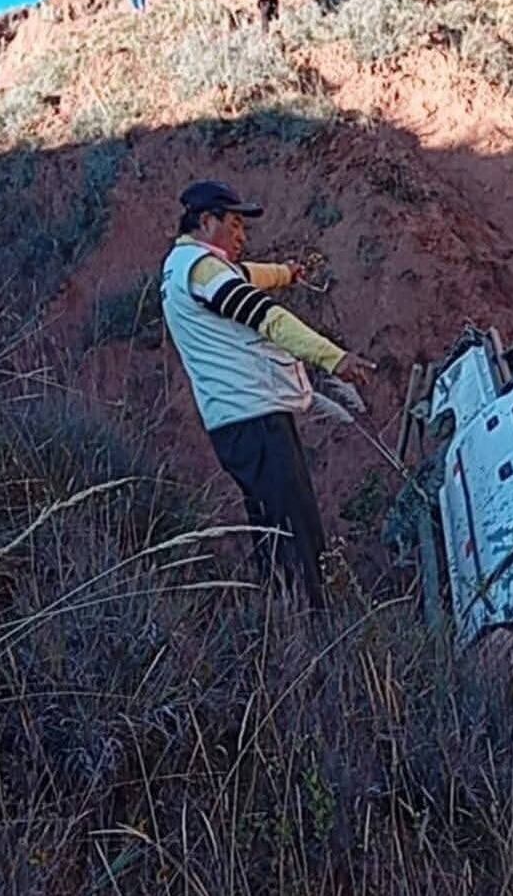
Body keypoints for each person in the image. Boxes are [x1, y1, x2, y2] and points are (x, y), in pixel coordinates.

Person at [160, 181, 376, 608]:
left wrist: (288, 273)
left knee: (275, 535)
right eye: (236, 225)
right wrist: (335, 358)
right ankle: (315, 638)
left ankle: (283, 633)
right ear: (207, 222)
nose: (242, 236)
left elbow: (252, 275)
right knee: (298, 537)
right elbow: (268, 319)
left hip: (241, 422)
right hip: (254, 419)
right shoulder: (203, 271)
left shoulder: (190, 267)